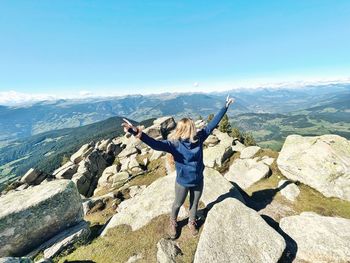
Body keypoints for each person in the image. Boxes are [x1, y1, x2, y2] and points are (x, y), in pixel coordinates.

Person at [121, 95, 235, 238]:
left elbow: (212, 124)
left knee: (194, 204)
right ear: (185, 130)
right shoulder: (174, 144)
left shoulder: (199, 138)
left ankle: (191, 222)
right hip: (182, 182)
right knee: (177, 204)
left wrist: (225, 107)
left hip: (198, 180)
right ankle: (173, 222)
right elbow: (155, 144)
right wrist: (136, 132)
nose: (195, 129)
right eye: (192, 128)